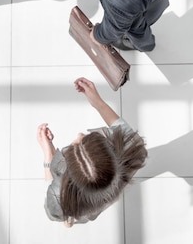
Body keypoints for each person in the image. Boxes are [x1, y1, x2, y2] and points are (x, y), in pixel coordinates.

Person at [37, 77, 147, 226]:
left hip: (78, 207)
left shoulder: (58, 197)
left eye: (74, 145)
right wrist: (98, 103)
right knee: (89, 212)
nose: (80, 134)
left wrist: (48, 153)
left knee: (72, 213)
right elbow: (127, 134)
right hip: (98, 204)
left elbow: (50, 211)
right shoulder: (129, 154)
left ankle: (69, 217)